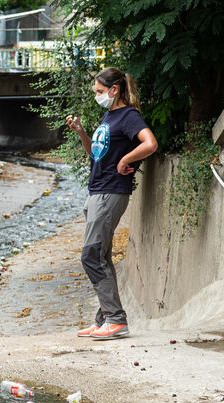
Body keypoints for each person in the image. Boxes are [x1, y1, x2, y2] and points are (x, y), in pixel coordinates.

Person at [65, 67, 158, 340]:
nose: (97, 96)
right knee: (101, 255)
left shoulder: (128, 116)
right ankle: (106, 318)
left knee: (91, 255)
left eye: (99, 91)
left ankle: (116, 320)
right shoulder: (109, 116)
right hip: (97, 191)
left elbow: (150, 143)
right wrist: (82, 131)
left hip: (110, 192)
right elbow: (95, 156)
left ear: (114, 90)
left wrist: (126, 160)